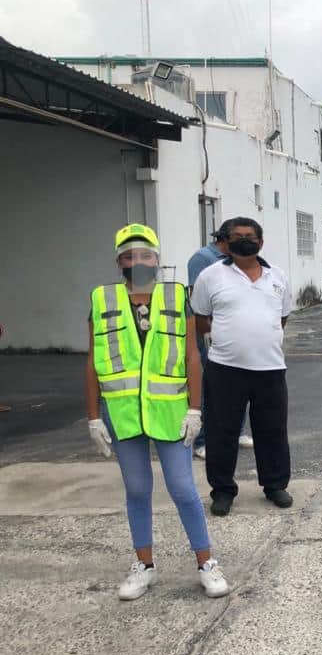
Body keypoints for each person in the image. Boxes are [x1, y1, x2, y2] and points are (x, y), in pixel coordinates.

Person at [85, 223, 230, 600]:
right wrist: (93, 417)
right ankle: (144, 565)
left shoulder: (176, 296)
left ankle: (206, 563)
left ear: (158, 259)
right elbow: (92, 362)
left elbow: (192, 356)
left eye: (146, 254)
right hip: (124, 414)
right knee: (137, 489)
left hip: (170, 412)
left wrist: (196, 410)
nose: (139, 261)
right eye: (130, 255)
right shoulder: (103, 299)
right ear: (119, 261)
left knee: (183, 489)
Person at [190, 217, 293, 516]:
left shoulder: (278, 276)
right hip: (225, 368)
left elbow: (282, 318)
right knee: (221, 431)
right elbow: (201, 319)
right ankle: (222, 490)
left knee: (272, 429)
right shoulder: (210, 276)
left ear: (260, 242)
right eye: (236, 236)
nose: (243, 240)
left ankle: (275, 485)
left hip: (270, 367)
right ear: (226, 242)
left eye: (250, 236)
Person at [187, 221, 254, 459]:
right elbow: (197, 300)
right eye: (238, 238)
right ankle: (203, 440)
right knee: (212, 386)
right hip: (211, 331)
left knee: (243, 379)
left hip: (238, 332)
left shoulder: (239, 260)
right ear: (225, 239)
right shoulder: (203, 258)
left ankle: (237, 431)